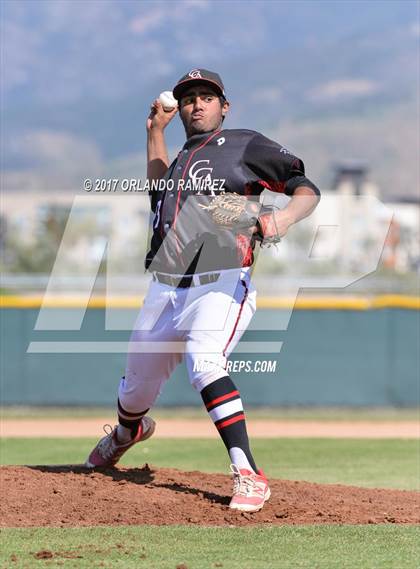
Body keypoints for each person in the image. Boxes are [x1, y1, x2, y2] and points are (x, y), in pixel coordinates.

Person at [86, 69, 320, 513]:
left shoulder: (245, 145)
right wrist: (155, 132)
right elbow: (158, 193)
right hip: (165, 286)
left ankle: (248, 472)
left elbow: (305, 188)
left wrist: (282, 219)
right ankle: (126, 434)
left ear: (223, 106)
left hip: (222, 278)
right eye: (189, 97)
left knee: (204, 361)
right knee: (134, 393)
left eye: (206, 96)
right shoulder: (180, 159)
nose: (196, 104)